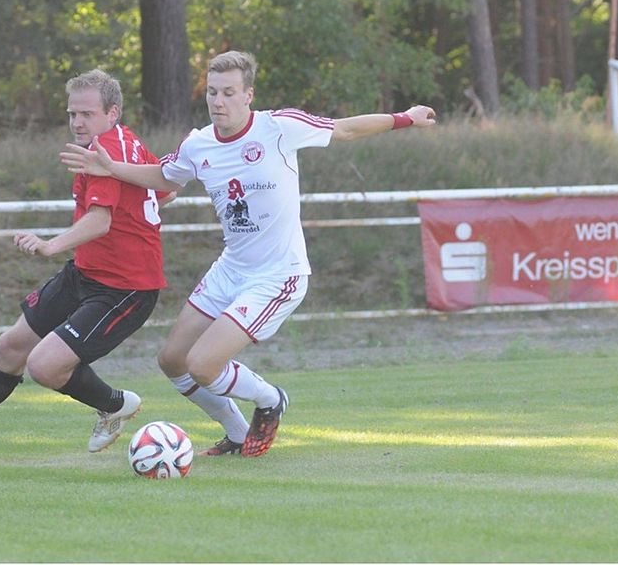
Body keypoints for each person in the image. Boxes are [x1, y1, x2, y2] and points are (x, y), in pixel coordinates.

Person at [61, 50, 436, 458]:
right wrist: (111, 168)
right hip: (231, 268)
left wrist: (405, 117)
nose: (218, 101)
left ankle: (271, 399)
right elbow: (164, 177)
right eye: (212, 92)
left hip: (278, 275)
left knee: (203, 365)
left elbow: (344, 129)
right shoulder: (198, 144)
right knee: (173, 360)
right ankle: (237, 433)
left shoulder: (279, 127)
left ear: (248, 95)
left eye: (228, 93)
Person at [0, 69, 173, 456]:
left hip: (125, 288)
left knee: (44, 366)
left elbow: (100, 220)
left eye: (86, 114)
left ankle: (114, 405)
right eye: (72, 113)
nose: (76, 122)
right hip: (86, 273)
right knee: (11, 347)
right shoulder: (125, 144)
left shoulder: (107, 148)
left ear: (113, 112)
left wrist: (49, 245)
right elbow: (167, 188)